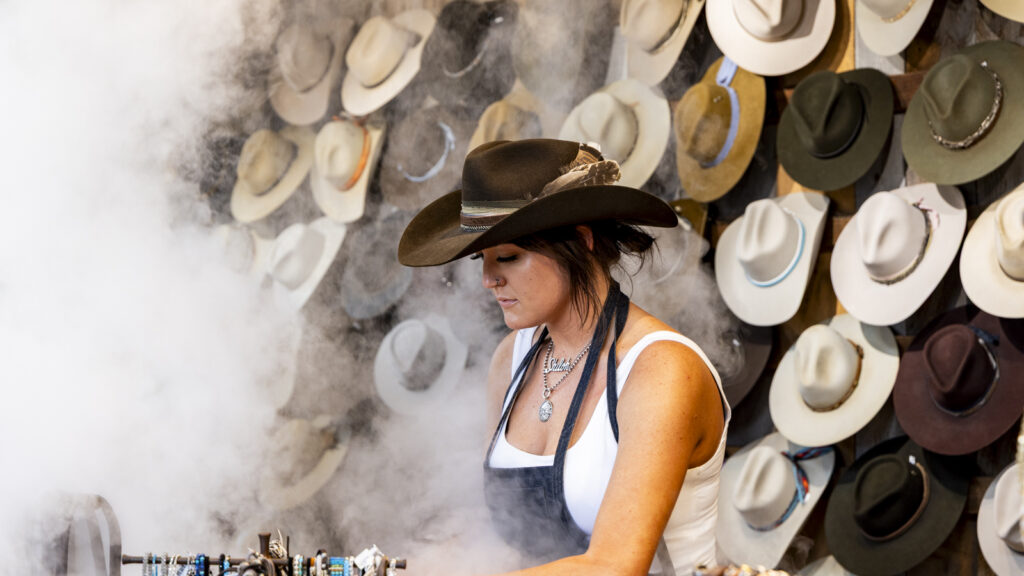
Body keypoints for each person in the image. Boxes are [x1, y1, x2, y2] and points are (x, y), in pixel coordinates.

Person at [398, 139, 730, 574]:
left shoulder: (661, 371)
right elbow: (504, 541)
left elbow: (614, 566)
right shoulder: (511, 359)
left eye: (508, 257)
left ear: (581, 240)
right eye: (482, 258)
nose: (487, 279)